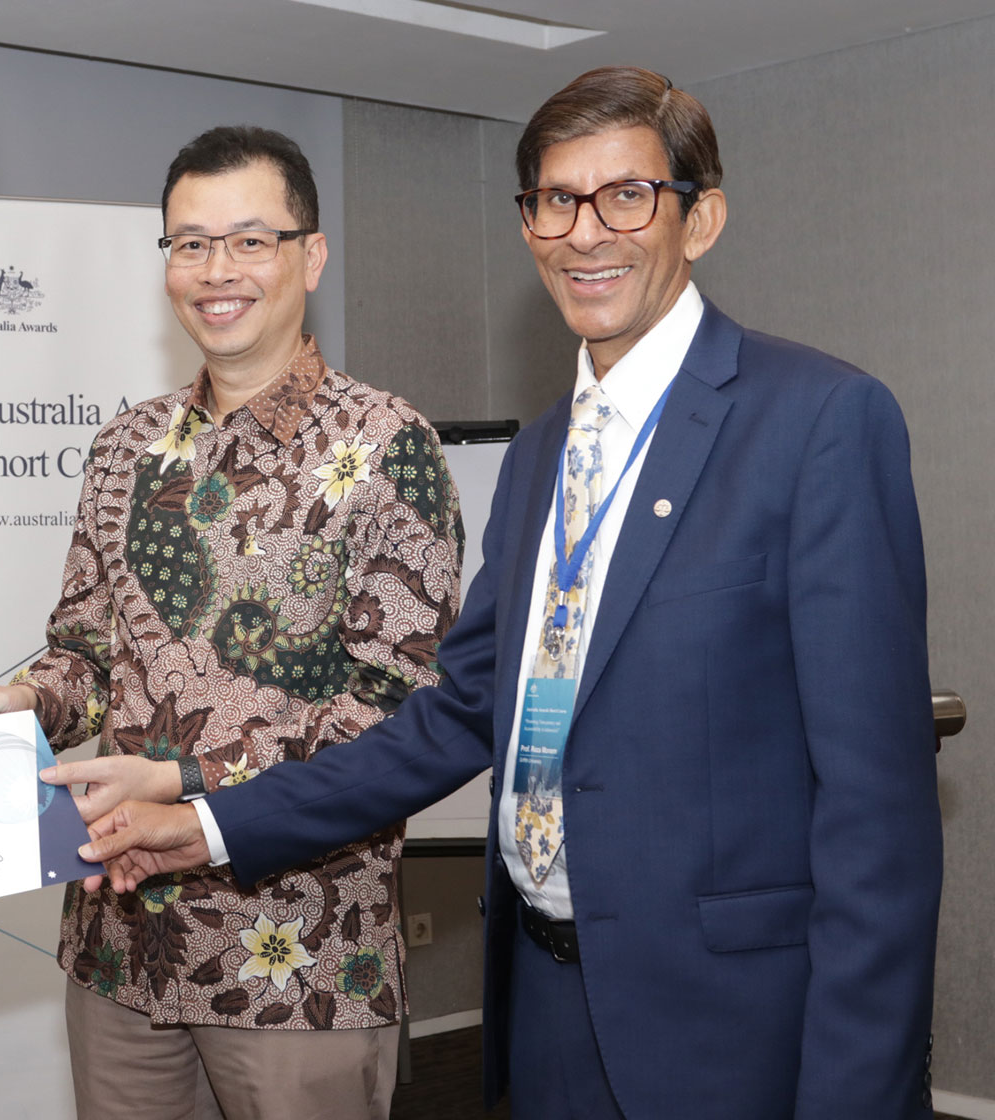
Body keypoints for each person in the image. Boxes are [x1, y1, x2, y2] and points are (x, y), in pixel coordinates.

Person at [75, 68, 942, 1120]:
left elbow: (877, 818)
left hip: (726, 1019)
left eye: (627, 196)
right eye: (553, 201)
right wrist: (209, 827)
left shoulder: (818, 423)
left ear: (699, 218)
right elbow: (449, 718)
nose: (586, 233)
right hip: (544, 1000)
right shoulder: (539, 458)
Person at [0, 126, 462, 1119]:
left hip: (299, 960)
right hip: (121, 948)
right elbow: (87, 655)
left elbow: (404, 716)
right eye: (190, 243)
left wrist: (187, 778)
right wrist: (17, 700)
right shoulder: (127, 445)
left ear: (310, 254)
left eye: (250, 240)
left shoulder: (388, 447)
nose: (217, 271)